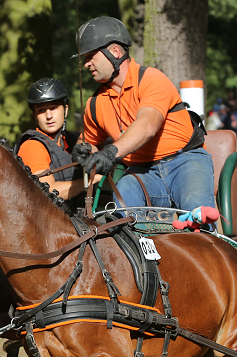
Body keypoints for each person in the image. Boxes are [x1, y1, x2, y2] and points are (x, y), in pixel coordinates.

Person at [71, 16, 215, 218]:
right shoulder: (94, 104)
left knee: (198, 214)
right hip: (142, 173)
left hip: (185, 162)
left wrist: (111, 152)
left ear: (114, 52)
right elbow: (90, 142)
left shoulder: (151, 79)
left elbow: (147, 125)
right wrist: (83, 150)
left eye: (90, 56)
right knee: (123, 201)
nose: (86, 64)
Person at [15, 78, 95, 201]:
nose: (49, 116)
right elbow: (47, 192)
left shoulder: (73, 139)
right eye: (41, 110)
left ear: (66, 110)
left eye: (53, 108)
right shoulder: (32, 146)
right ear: (34, 115)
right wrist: (91, 181)